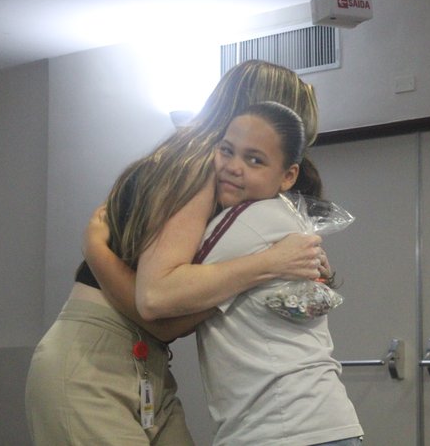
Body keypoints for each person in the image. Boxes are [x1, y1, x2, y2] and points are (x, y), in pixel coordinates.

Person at [25, 60, 327, 446]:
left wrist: (95, 248)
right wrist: (269, 265)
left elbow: (165, 320)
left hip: (142, 360)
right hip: (93, 357)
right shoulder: (196, 168)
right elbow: (155, 304)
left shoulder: (222, 189)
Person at [87, 101, 363, 445]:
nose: (233, 167)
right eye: (227, 150)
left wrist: (95, 249)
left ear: (288, 175)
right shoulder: (288, 220)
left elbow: (156, 298)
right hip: (321, 424)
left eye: (255, 160)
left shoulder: (246, 220)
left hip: (284, 429)